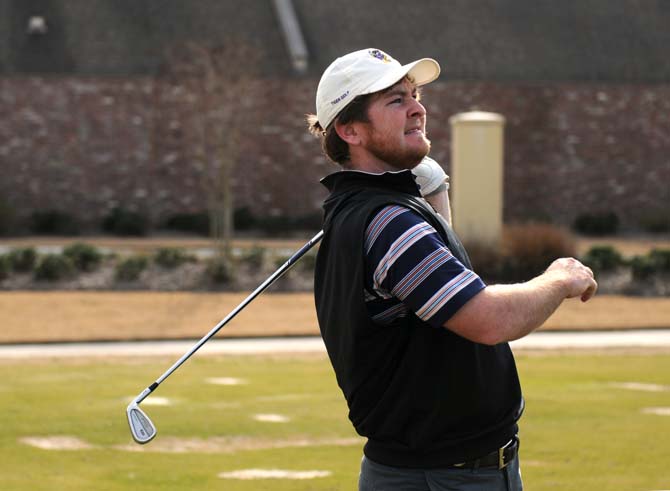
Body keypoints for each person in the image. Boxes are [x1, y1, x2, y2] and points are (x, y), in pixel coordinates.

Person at [307, 48, 597, 491]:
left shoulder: (369, 211)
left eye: (413, 95)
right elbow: (485, 318)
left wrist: (432, 191)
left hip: (434, 470)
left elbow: (445, 282)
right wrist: (560, 279)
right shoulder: (388, 222)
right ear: (350, 130)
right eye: (395, 101)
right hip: (444, 477)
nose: (418, 108)